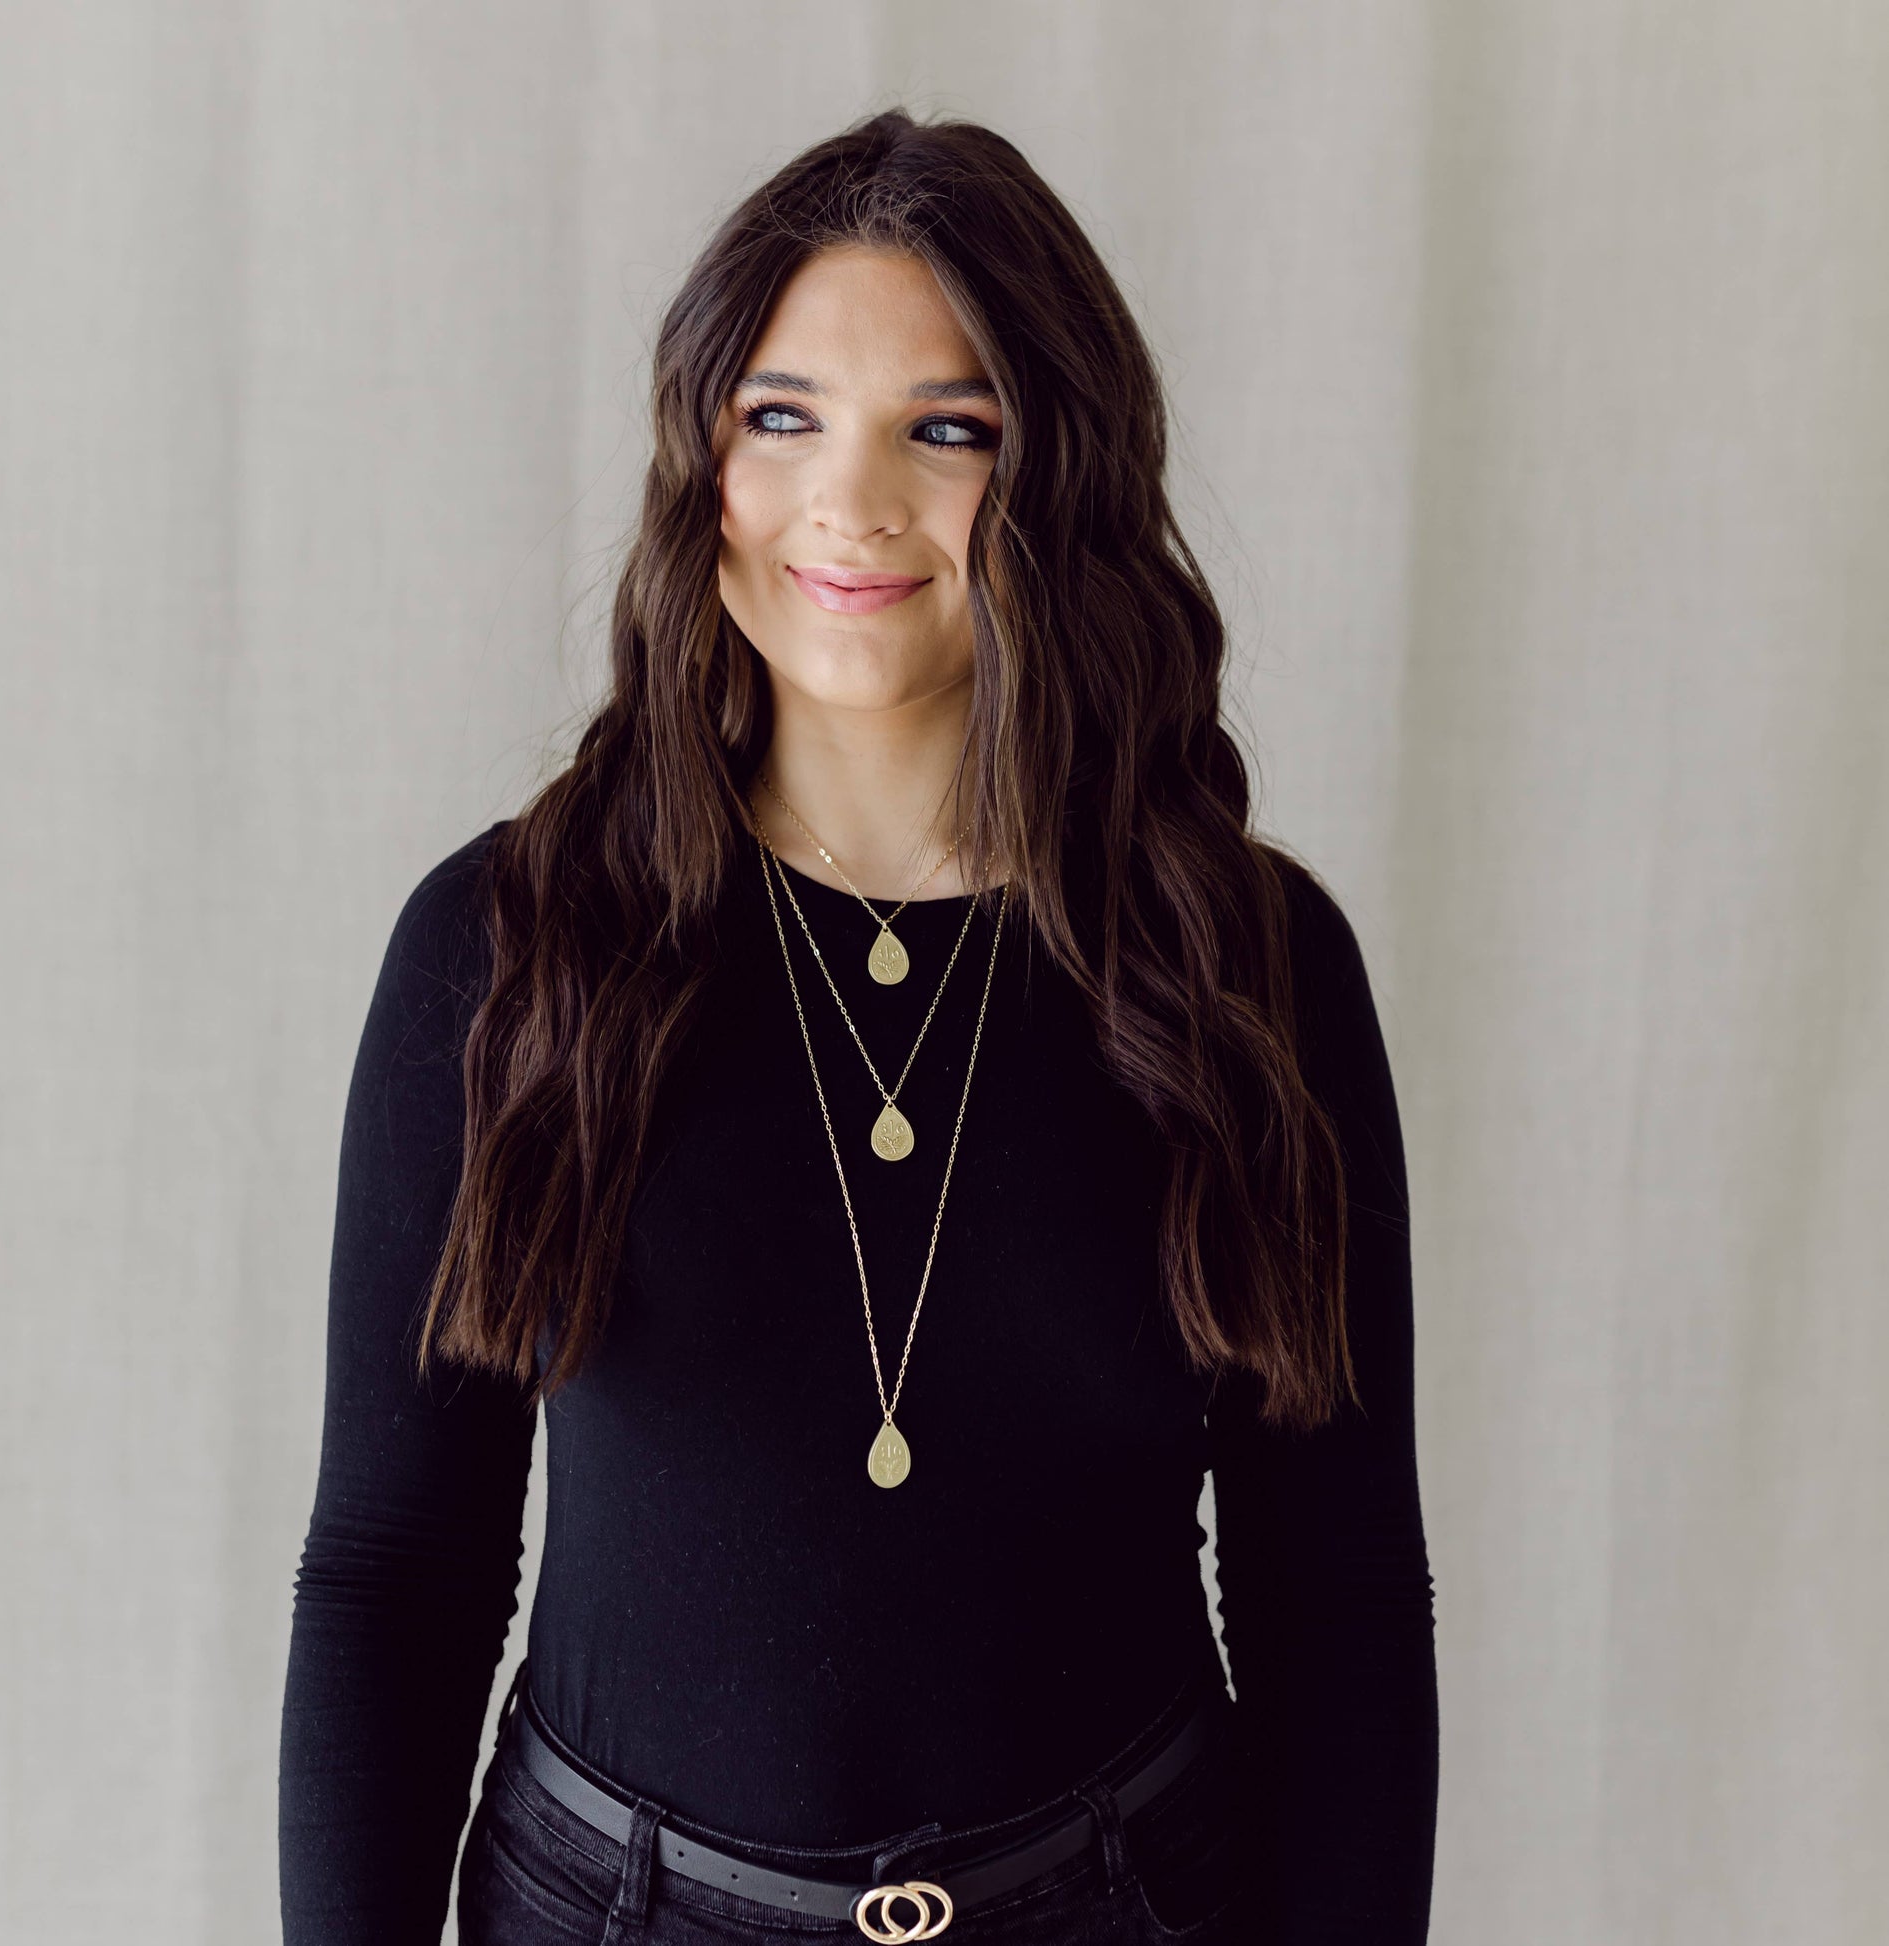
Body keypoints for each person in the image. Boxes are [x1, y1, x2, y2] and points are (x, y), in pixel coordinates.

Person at [278, 106, 1437, 1945]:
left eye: (945, 429)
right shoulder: (506, 949)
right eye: (784, 414)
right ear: (702, 462)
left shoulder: (1249, 967)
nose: (855, 501)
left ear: (1052, 469)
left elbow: (1339, 1596)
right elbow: (393, 1574)